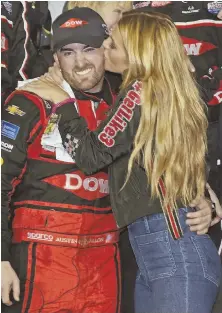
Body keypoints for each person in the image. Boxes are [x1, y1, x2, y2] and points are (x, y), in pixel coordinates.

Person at [1, 7, 214, 313]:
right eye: (68, 51)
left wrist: (203, 195)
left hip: (118, 261)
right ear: (54, 57)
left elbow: (171, 152)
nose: (81, 62)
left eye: (93, 48)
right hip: (45, 260)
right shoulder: (31, 99)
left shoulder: (130, 98)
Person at [1, 1, 53, 102]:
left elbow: (44, 48)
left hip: (31, 87)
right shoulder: (7, 7)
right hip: (12, 94)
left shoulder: (40, 6)